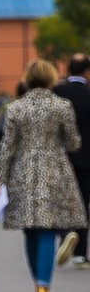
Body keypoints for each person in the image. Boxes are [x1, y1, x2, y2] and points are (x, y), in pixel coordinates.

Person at [0, 58, 83, 292]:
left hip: (22, 171)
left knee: (30, 230)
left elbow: (6, 147)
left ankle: (37, 284)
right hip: (55, 170)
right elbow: (74, 142)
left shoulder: (16, 108)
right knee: (46, 228)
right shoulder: (62, 106)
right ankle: (44, 286)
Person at [52, 52, 90, 267]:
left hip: (59, 157)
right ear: (86, 71)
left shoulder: (56, 92)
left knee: (61, 201)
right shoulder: (88, 93)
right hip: (86, 159)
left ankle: (64, 233)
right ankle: (81, 253)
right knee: (83, 203)